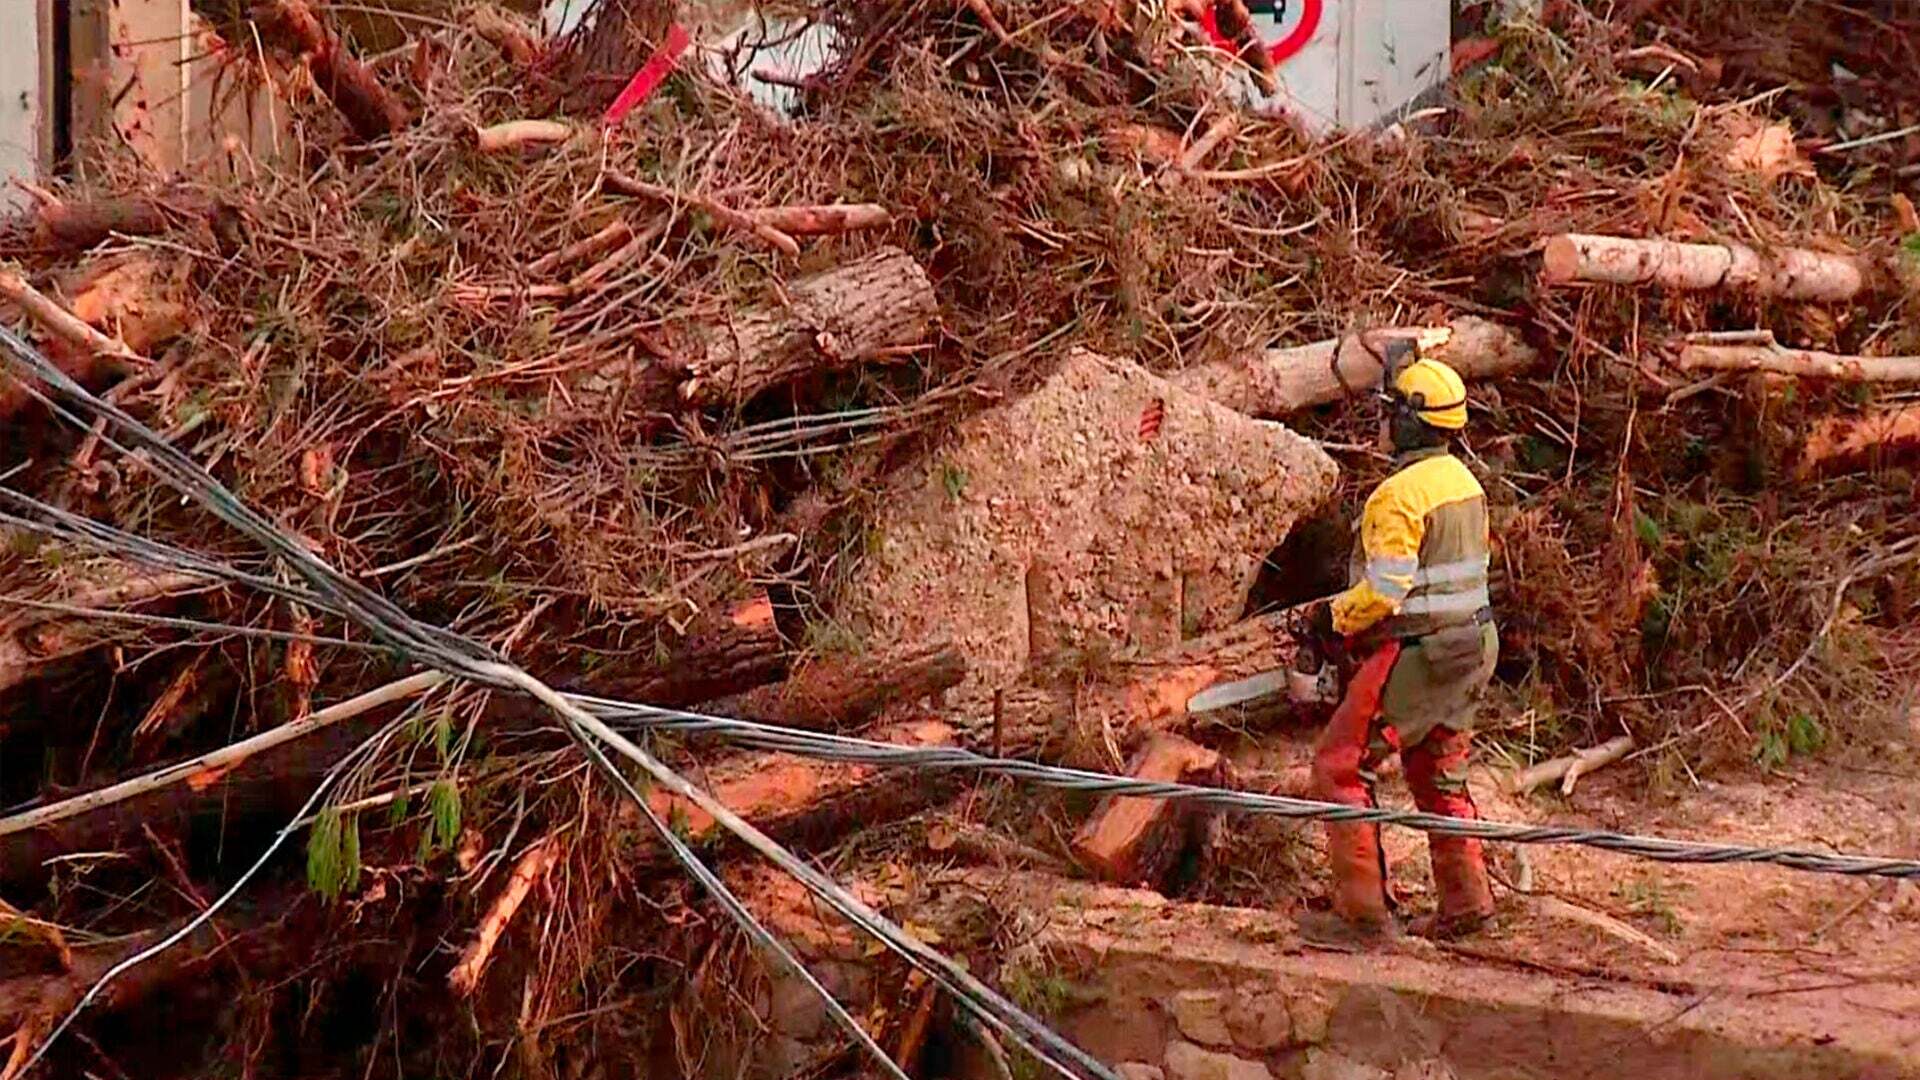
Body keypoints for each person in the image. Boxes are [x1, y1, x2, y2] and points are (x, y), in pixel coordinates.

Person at [1300, 346, 1499, 944]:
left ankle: (1361, 918)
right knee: (1438, 770)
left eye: (1390, 412)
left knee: (1339, 765)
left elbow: (1384, 592)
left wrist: (1329, 619)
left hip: (1421, 651)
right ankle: (1468, 905)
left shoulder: (1398, 496)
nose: (1383, 422)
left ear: (1410, 421)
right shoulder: (1464, 482)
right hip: (1474, 645)